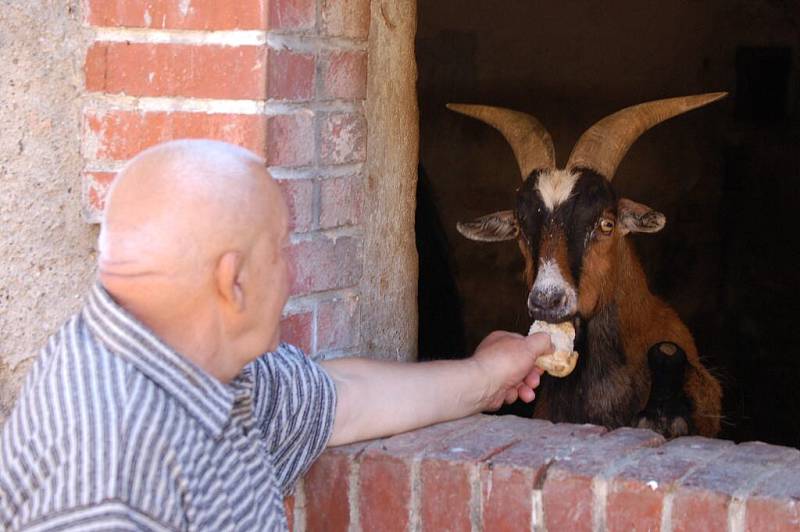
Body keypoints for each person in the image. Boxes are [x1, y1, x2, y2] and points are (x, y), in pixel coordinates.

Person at [0, 140, 550, 530]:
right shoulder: (105, 473)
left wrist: (485, 375)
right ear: (232, 281)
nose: (293, 275)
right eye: (281, 252)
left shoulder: (203, 372)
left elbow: (345, 401)